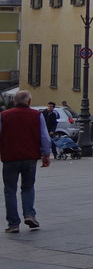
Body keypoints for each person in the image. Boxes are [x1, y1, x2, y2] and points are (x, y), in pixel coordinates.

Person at [0, 90, 52, 232]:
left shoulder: (3, 116)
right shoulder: (37, 115)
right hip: (30, 157)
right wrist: (46, 155)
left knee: (10, 190)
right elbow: (44, 137)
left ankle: (13, 224)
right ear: (28, 101)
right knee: (28, 187)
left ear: (14, 101)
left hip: (10, 158)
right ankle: (29, 215)